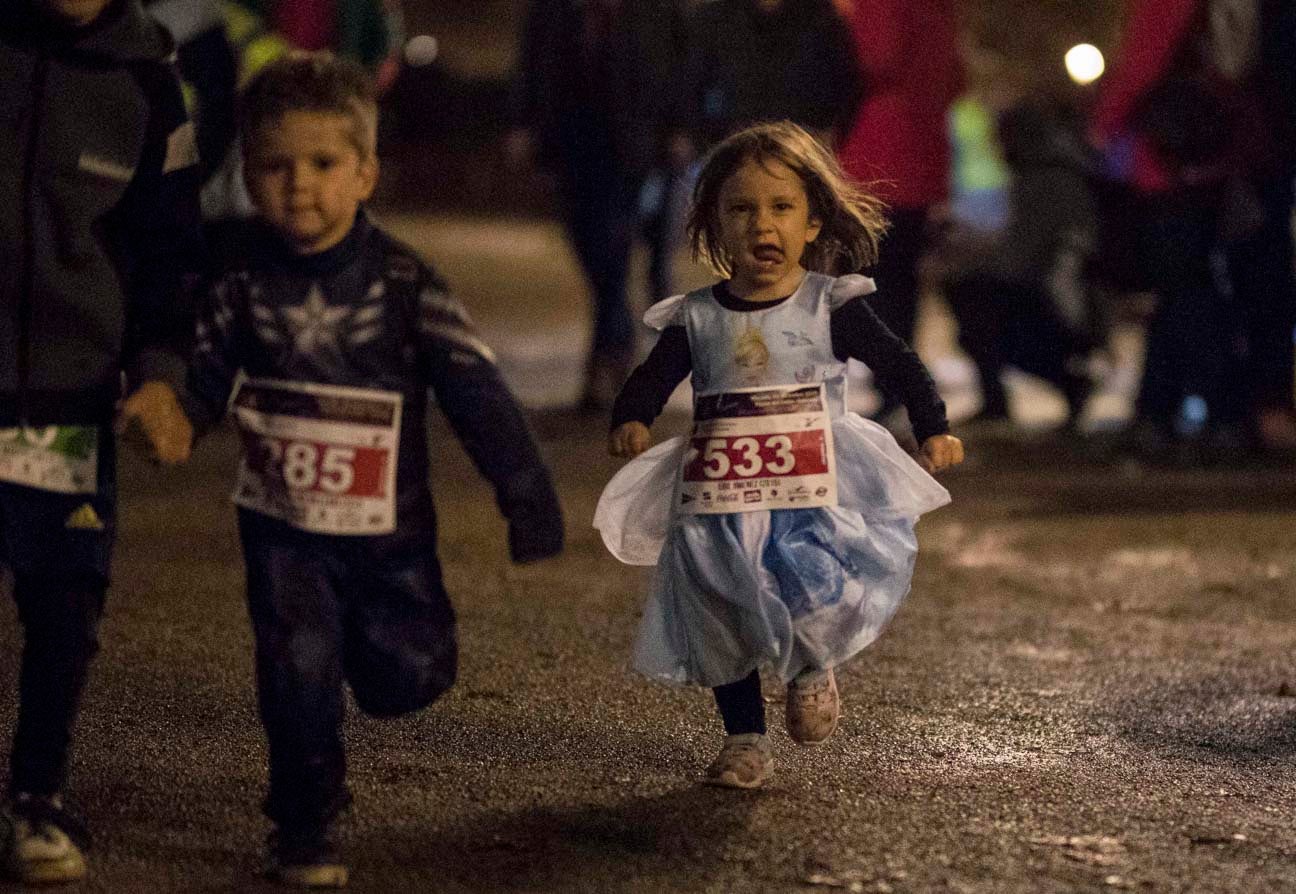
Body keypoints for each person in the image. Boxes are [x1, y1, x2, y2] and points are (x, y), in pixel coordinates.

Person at [181, 53, 564, 886]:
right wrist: (175, 416)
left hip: (392, 534)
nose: (300, 186)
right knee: (295, 665)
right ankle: (304, 824)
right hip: (283, 530)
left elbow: (475, 391)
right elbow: (203, 374)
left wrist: (526, 494)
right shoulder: (238, 282)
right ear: (247, 173)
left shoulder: (403, 282)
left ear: (365, 173)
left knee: (408, 675)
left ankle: (373, 662)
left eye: (323, 164)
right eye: (276, 167)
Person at [594, 123, 963, 789]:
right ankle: (743, 740)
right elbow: (652, 377)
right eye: (741, 209)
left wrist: (932, 426)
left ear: (813, 221)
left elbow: (900, 364)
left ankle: (811, 664)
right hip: (719, 497)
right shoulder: (697, 317)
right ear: (714, 224)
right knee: (719, 604)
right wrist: (632, 417)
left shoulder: (830, 305)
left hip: (811, 490)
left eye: (781, 207)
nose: (762, 224)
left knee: (810, 585)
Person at [0, 0, 201, 883]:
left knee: (63, 605)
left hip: (68, 400)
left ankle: (36, 797)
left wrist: (160, 375)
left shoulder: (148, 81)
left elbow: (171, 252)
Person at [507, 0, 690, 412]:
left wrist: (678, 127)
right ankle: (615, 342)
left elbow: (679, 67)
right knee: (591, 247)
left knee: (613, 244)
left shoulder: (657, 11)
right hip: (572, 143)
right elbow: (532, 64)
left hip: (632, 146)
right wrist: (524, 124)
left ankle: (609, 356)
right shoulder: (553, 10)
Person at [833, 0, 962, 422]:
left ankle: (888, 386)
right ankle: (900, 387)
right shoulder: (940, 11)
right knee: (902, 282)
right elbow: (957, 78)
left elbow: (874, 58)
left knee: (869, 281)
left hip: (879, 154)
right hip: (923, 153)